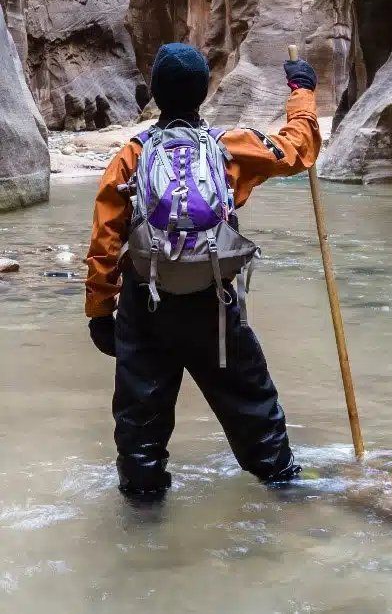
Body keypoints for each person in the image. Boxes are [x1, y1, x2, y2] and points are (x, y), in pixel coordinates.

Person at [85, 43, 320, 500]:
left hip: (145, 306)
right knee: (251, 403)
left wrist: (99, 312)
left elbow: (105, 242)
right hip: (213, 304)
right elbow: (298, 149)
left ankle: (143, 515)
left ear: (155, 92)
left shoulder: (130, 157)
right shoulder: (230, 149)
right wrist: (302, 91)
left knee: (140, 419)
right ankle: (287, 494)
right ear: (203, 93)